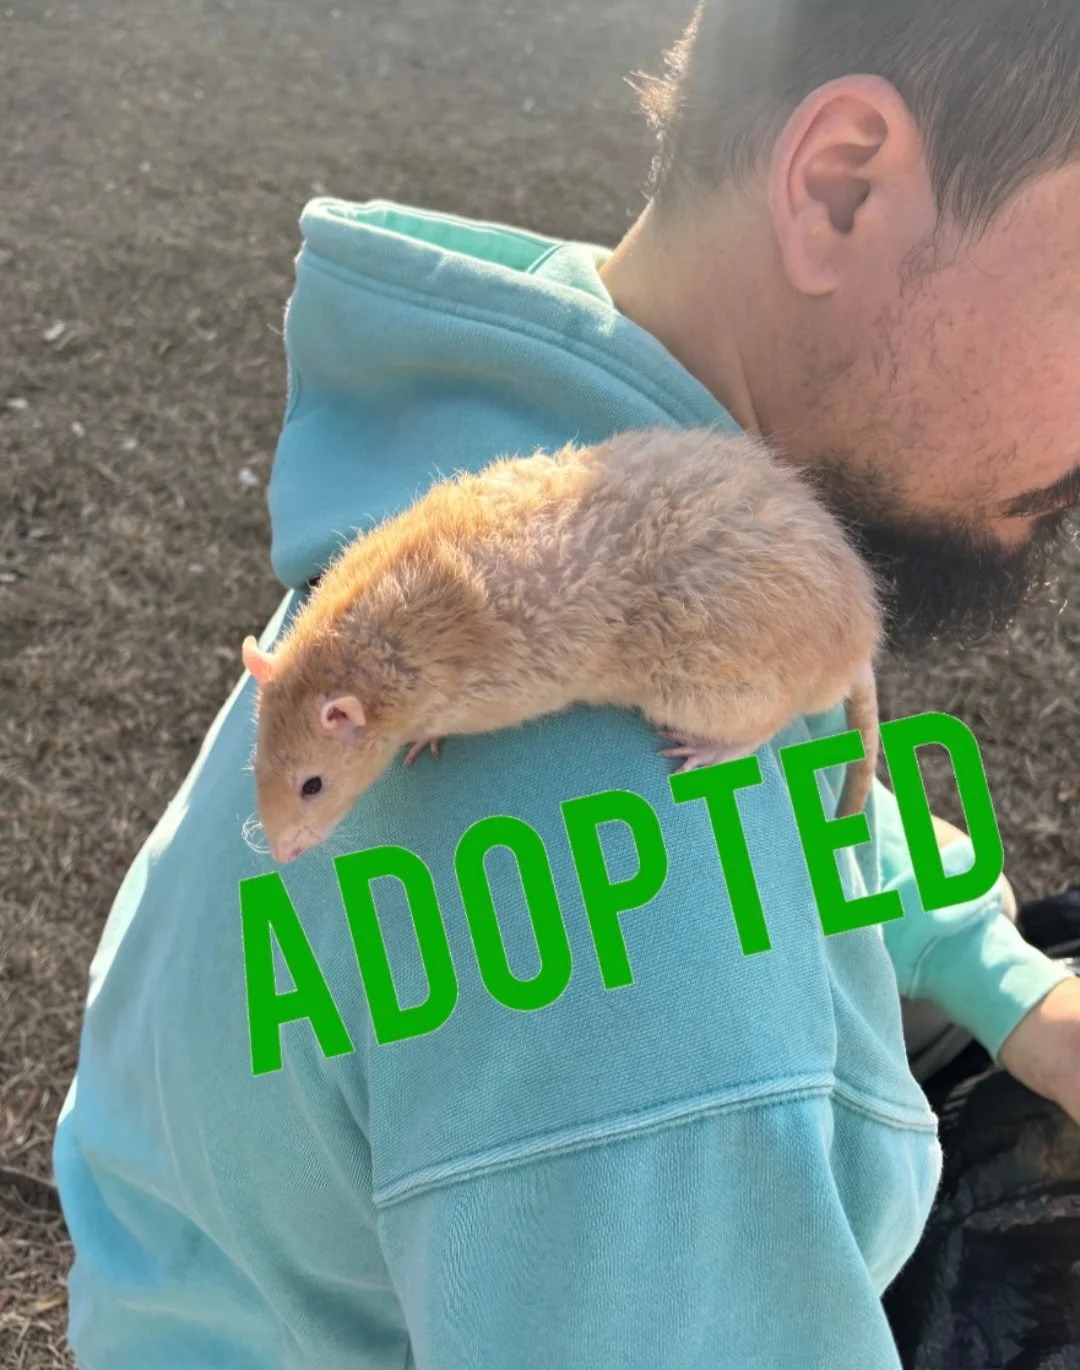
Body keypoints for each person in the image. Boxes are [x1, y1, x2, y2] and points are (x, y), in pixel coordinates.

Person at [53, 2, 1080, 1367]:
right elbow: (675, 900)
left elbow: (799, 817)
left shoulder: (501, 496)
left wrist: (1007, 981)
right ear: (841, 184)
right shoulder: (641, 959)